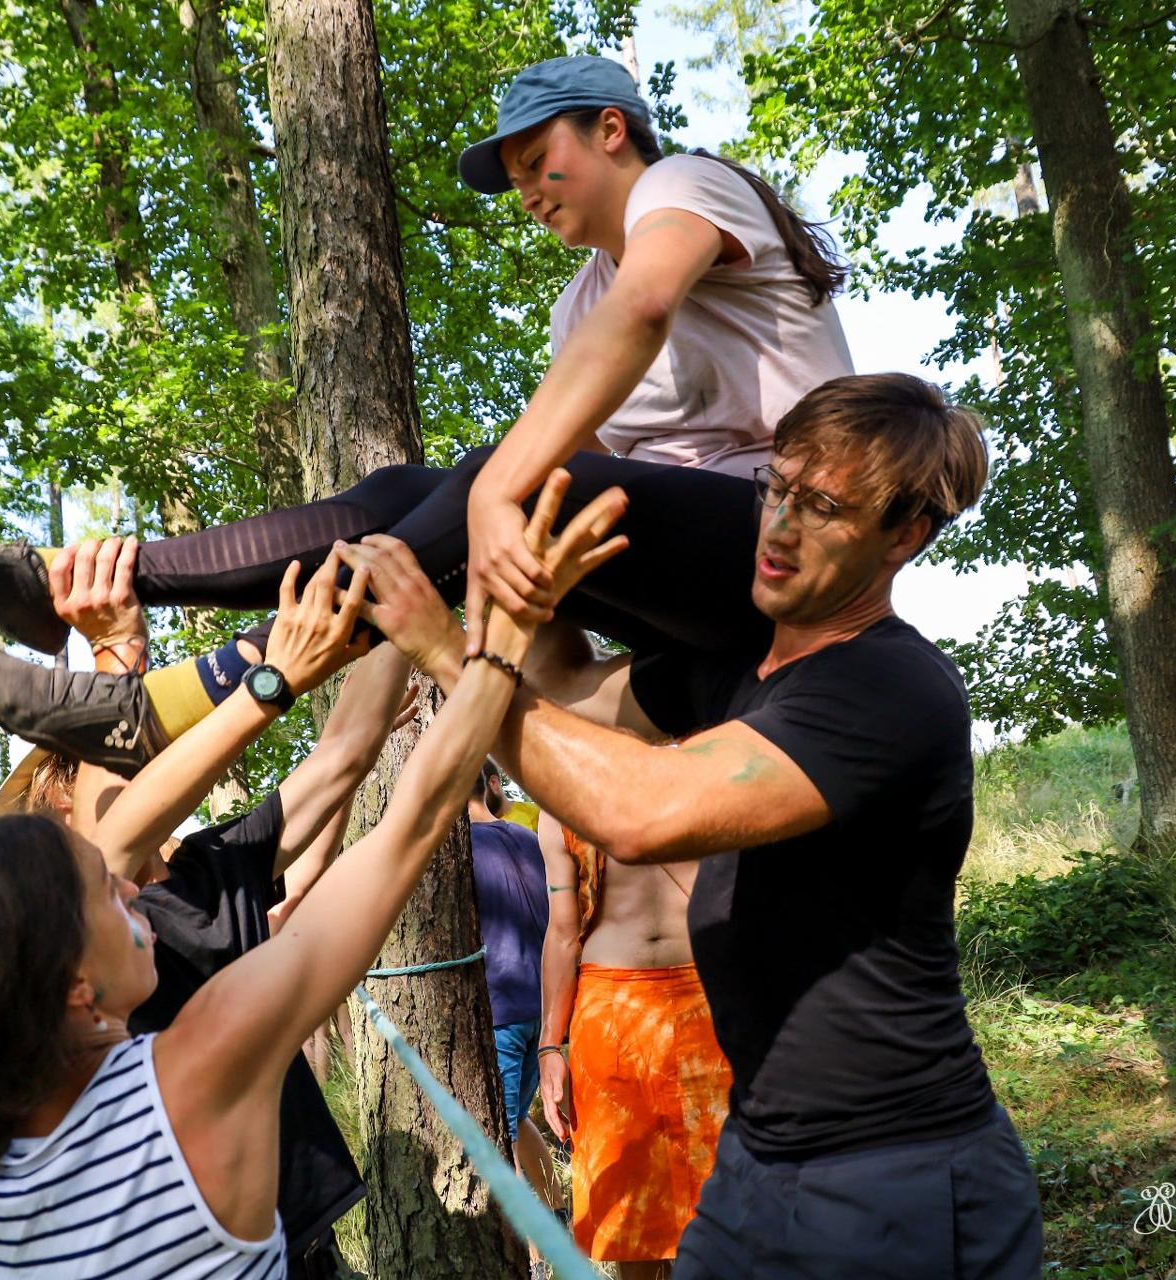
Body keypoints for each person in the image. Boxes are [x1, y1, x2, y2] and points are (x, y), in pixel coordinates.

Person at [0, 52, 854, 731]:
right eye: (514, 178)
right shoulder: (574, 307)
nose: (526, 192)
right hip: (695, 584)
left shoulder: (684, 187)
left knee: (492, 478)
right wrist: (490, 556)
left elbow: (644, 308)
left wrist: (496, 493)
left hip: (792, 534)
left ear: (611, 130)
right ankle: (81, 586)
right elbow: (580, 469)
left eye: (536, 162)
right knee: (401, 492)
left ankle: (184, 696)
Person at [347, 374, 1044, 1278]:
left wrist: (445, 649)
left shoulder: (889, 688)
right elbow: (566, 697)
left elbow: (639, 811)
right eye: (776, 488)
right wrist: (519, 596)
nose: (779, 527)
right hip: (758, 1155)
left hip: (893, 1170)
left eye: (823, 507)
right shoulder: (744, 672)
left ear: (904, 534)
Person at [0, 475, 628, 1279]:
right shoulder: (193, 1082)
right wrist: (500, 633)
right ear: (73, 988)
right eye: (104, 895)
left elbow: (151, 825)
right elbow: (409, 825)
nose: (128, 887)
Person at [0, 536, 417, 1278]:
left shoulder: (207, 866)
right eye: (89, 755)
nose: (142, 756)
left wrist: (403, 596)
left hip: (299, 1244)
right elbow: (113, 835)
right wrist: (123, 656)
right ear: (57, 800)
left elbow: (341, 754)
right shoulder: (66, 942)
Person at [536, 808, 729, 1279]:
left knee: (725, 1204)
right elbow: (562, 932)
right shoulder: (561, 802)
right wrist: (549, 1045)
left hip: (709, 1001)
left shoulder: (710, 776)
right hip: (613, 1013)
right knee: (629, 1214)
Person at [464, 761, 559, 1222]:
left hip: (501, 1009)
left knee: (500, 1135)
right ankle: (560, 1215)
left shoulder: (460, 849)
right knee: (517, 1119)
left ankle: (533, 1251)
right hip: (541, 1005)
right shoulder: (528, 836)